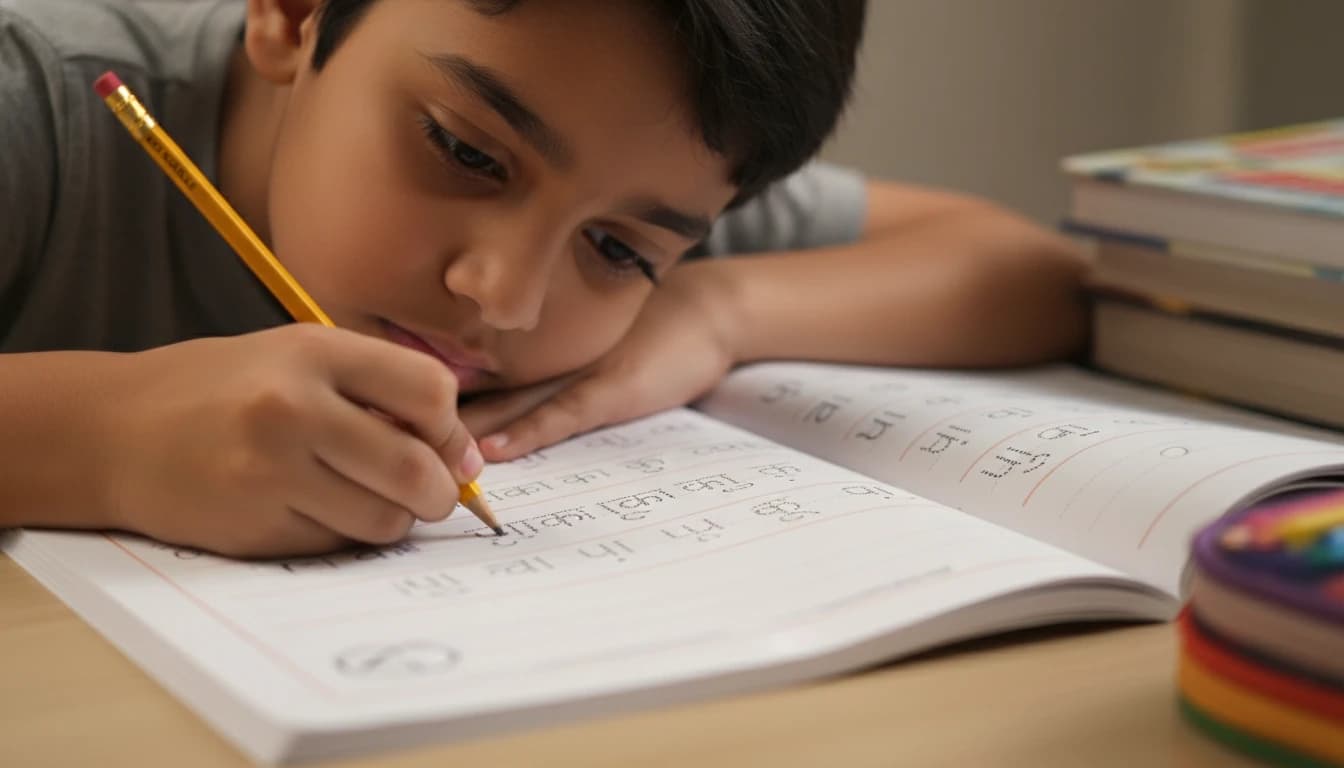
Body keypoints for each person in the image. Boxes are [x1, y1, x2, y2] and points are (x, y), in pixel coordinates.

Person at [0, 0, 1086, 557]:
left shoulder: (636, 171)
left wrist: (714, 309)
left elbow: (1029, 270)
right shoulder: (33, 117)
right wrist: (103, 443)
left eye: (619, 252)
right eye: (468, 153)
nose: (505, 295)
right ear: (294, 14)